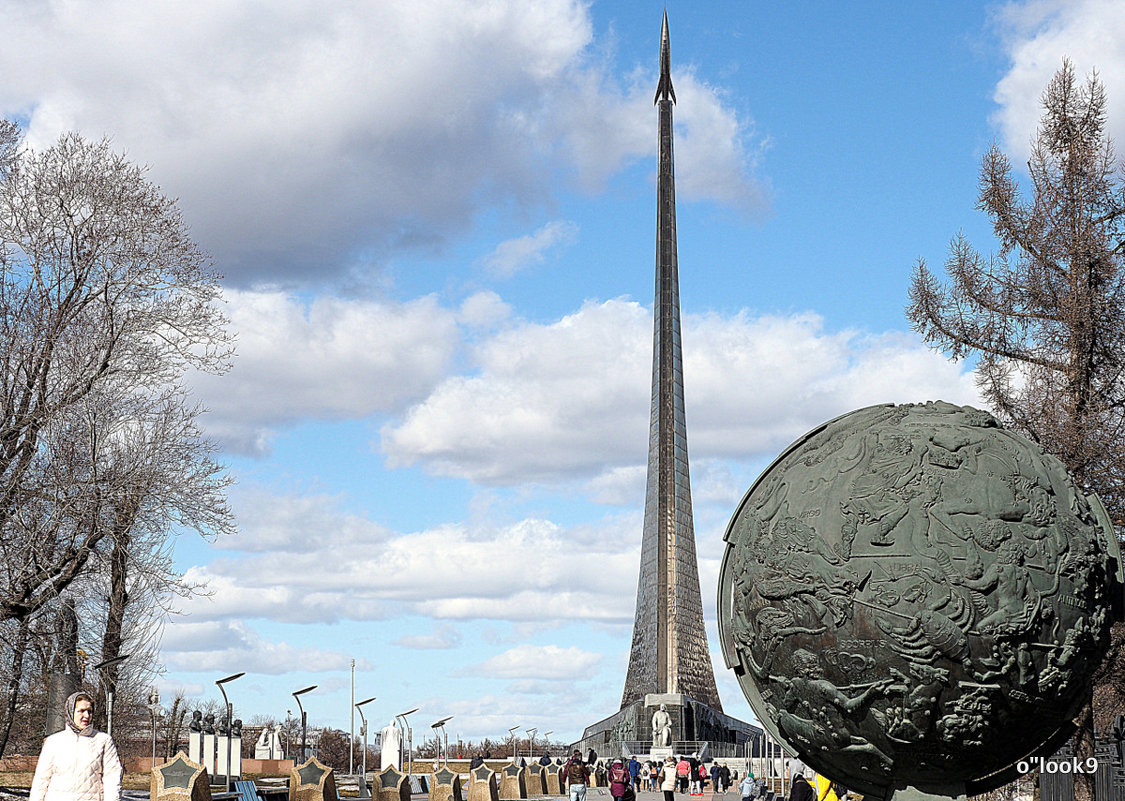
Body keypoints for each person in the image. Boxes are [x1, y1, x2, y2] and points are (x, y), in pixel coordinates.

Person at [31, 691, 122, 801]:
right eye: (81, 711)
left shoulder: (103, 740)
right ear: (70, 712)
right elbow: (41, 779)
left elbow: (112, 777)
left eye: (90, 711)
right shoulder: (53, 742)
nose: (87, 716)